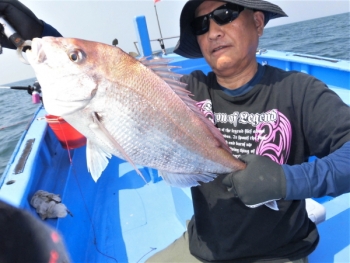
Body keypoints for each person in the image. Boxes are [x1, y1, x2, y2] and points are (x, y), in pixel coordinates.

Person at [1, 0, 349, 262]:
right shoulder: (188, 90)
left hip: (278, 251)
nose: (213, 30)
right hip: (202, 245)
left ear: (257, 22)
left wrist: (289, 182)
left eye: (225, 14)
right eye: (201, 24)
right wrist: (39, 39)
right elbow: (118, 80)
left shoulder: (300, 91)